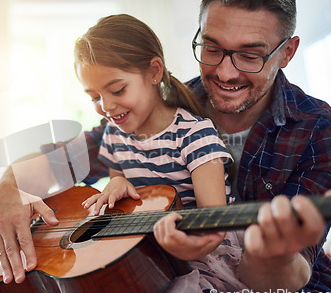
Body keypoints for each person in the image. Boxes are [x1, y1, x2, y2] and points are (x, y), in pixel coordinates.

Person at [0, 0, 331, 293]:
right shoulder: (152, 109)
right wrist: (7, 189)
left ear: (287, 53)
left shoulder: (325, 131)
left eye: (250, 55)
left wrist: (270, 253)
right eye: (212, 48)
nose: (224, 71)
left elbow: (286, 275)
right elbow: (57, 163)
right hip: (166, 273)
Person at [74, 14, 234, 264]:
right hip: (151, 255)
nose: (106, 106)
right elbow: (122, 192)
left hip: (204, 254)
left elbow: (214, 226)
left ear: (154, 72)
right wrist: (115, 186)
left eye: (117, 90)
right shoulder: (114, 135)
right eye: (94, 97)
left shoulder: (195, 135)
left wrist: (184, 251)